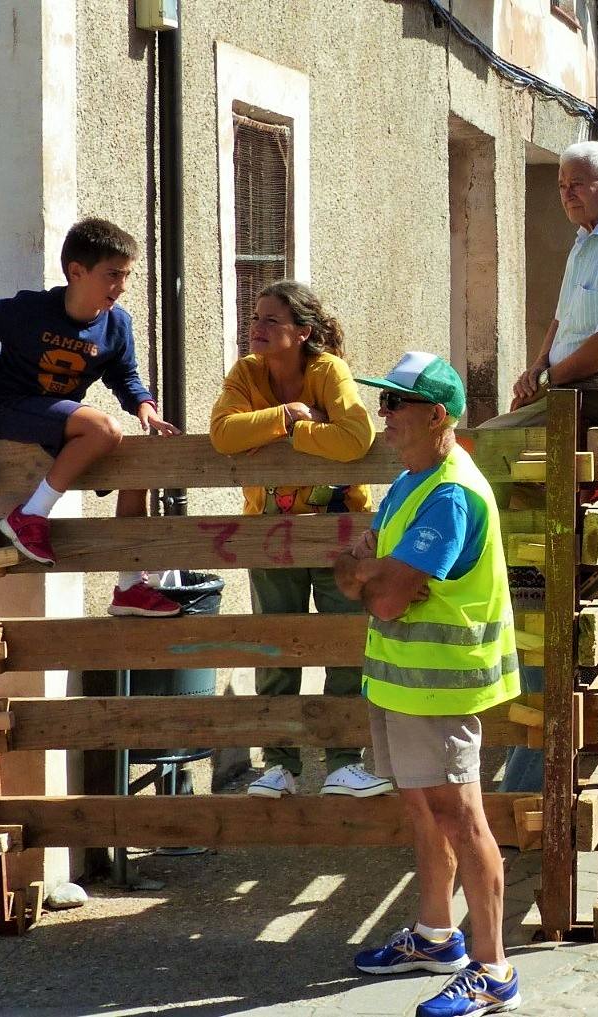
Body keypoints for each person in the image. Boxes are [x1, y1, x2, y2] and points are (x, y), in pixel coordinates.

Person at [341, 352, 522, 1015]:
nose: (382, 415)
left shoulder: (449, 492)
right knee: (424, 809)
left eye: (394, 403)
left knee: (460, 815)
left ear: (436, 414)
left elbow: (383, 594)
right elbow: (356, 570)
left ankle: (494, 968)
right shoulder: (410, 481)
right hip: (406, 683)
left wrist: (367, 573)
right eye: (383, 401)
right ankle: (437, 934)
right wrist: (366, 572)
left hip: (441, 686)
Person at [0, 217, 183, 617]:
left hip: (63, 422)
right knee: (102, 428)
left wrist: (144, 406)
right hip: (15, 409)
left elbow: (125, 374)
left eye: (127, 275)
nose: (122, 285)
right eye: (113, 275)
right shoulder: (31, 310)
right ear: (76, 272)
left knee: (136, 464)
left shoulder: (117, 324)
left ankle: (128, 587)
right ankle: (30, 515)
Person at [208, 281, 383, 799]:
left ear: (303, 333)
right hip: (272, 536)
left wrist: (289, 436)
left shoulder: (328, 371)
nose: (255, 329)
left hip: (337, 535)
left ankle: (343, 763)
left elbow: (356, 438)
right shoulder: (246, 372)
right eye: (254, 317)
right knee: (276, 648)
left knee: (345, 646)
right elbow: (222, 434)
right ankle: (280, 765)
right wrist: (288, 416)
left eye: (270, 322)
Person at [486, 140, 598, 430]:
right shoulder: (585, 241)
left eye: (577, 184)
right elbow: (561, 319)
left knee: (491, 438)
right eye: (561, 186)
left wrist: (547, 380)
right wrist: (538, 368)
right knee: (510, 427)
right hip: (583, 382)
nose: (567, 195)